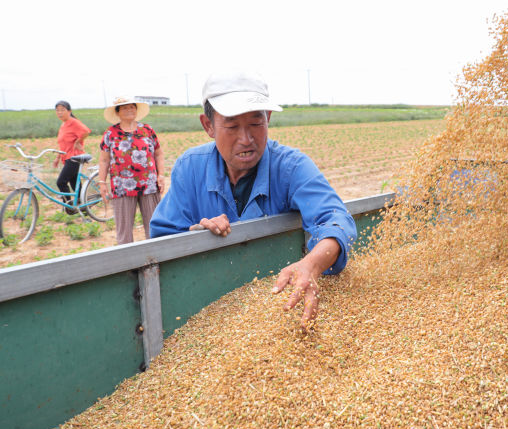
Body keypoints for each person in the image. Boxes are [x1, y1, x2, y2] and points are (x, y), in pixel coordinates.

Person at [149, 72, 356, 328]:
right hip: (208, 316)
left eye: (256, 123)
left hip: (277, 311)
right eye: (232, 126)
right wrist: (195, 233)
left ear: (268, 119)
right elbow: (161, 240)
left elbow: (336, 219)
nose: (246, 139)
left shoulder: (290, 167)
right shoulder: (191, 168)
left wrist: (311, 264)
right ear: (208, 125)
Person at [98, 97, 166, 244]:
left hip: (149, 184)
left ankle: (155, 261)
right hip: (122, 187)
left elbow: (158, 153)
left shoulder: (147, 130)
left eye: (132, 107)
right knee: (124, 232)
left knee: (154, 226)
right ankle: (129, 264)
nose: (129, 110)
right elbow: (104, 160)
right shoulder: (110, 133)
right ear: (117, 112)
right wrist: (102, 182)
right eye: (124, 108)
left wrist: (161, 175)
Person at [53, 100, 91, 213]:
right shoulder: (63, 125)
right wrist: (57, 158)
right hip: (67, 157)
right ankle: (84, 208)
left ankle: (69, 207)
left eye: (62, 110)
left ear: (69, 111)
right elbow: (62, 144)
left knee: (61, 182)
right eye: (57, 110)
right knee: (75, 185)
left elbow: (86, 131)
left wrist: (79, 141)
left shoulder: (73, 122)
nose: (59, 112)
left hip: (75, 157)